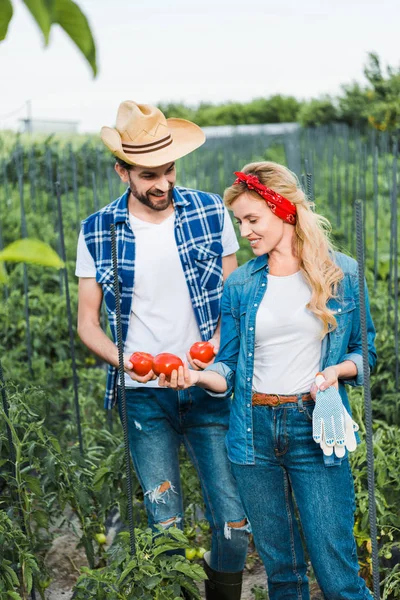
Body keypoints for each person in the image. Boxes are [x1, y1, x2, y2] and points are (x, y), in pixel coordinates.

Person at [159, 161, 377, 599]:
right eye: (240, 222)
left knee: (337, 574)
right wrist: (199, 377)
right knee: (283, 574)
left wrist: (337, 370)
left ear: (285, 211)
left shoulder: (342, 274)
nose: (245, 232)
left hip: (312, 426)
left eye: (253, 219)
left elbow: (365, 354)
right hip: (252, 432)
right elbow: (228, 367)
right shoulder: (239, 284)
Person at [75, 101, 249, 600]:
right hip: (144, 395)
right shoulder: (97, 230)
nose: (162, 184)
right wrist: (125, 360)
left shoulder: (211, 210)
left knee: (235, 526)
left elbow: (234, 299)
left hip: (207, 387)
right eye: (148, 175)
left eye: (169, 170)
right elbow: (88, 323)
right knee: (166, 530)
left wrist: (216, 348)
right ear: (122, 171)